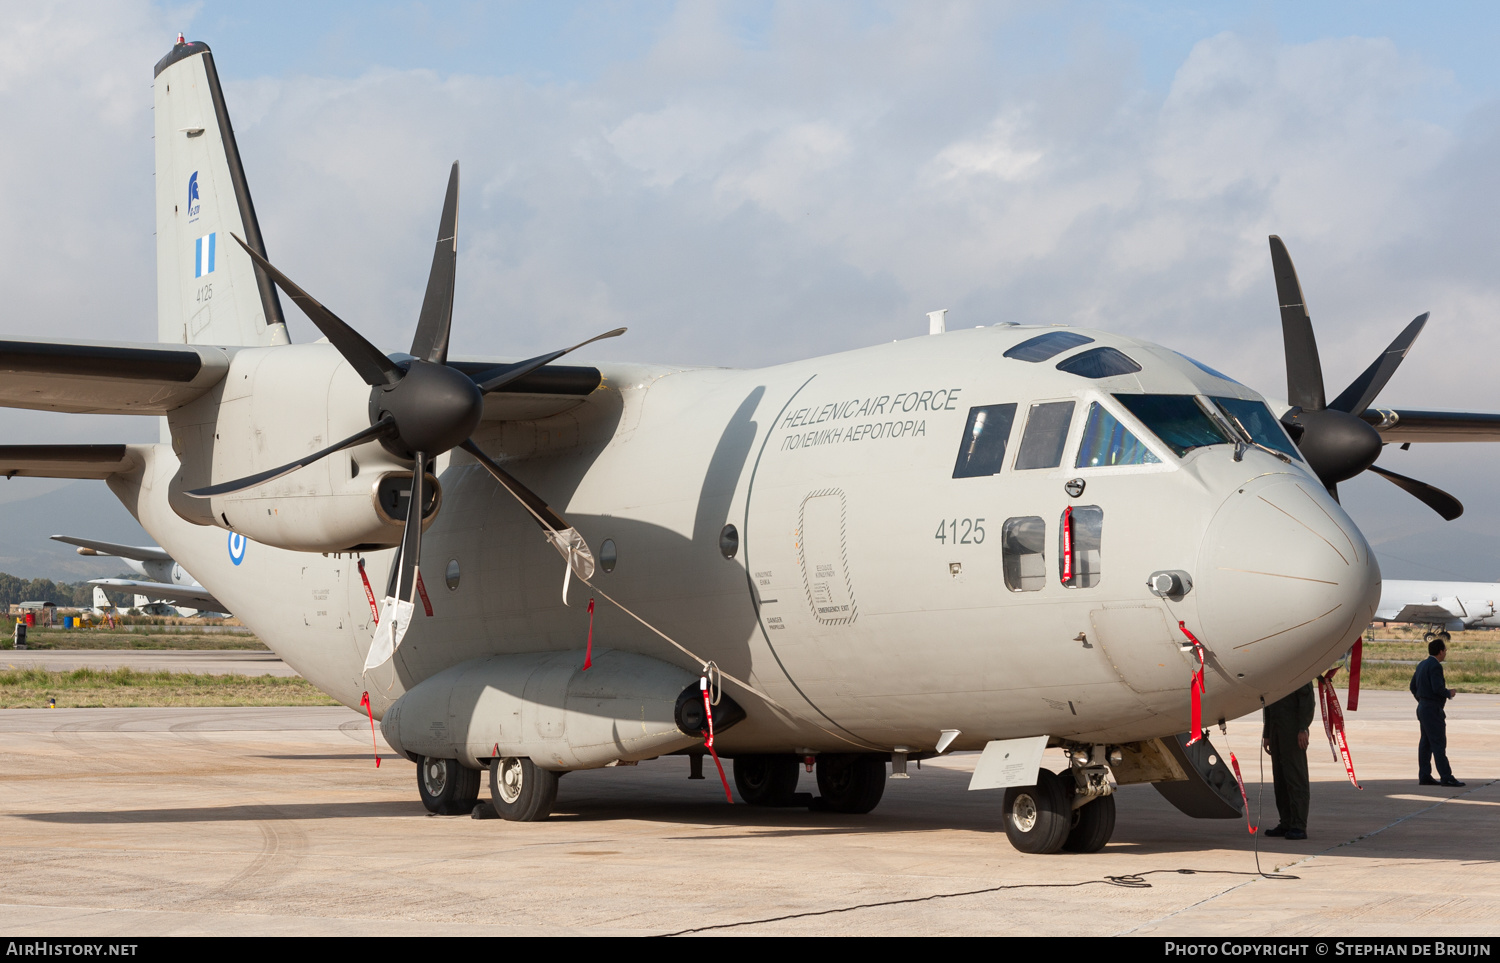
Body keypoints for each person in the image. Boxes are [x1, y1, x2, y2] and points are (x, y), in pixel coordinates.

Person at [1261, 681, 1314, 840]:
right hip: (1276, 730)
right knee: (1280, 779)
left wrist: (1303, 728)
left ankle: (1298, 825)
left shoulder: (1299, 672)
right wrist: (1267, 734)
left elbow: (1307, 702)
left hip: (1293, 731)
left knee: (1296, 778)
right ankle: (1286, 822)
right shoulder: (1275, 673)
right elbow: (1269, 705)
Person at [1410, 637, 1464, 787]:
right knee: (1438, 743)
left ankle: (1425, 775)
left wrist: (1421, 700)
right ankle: (1446, 776)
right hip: (1432, 709)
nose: (1445, 652)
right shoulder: (1435, 666)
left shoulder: (1422, 664)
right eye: (1445, 650)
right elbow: (1437, 688)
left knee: (1426, 743)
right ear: (1440, 651)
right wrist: (1449, 693)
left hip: (1423, 708)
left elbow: (1412, 686)